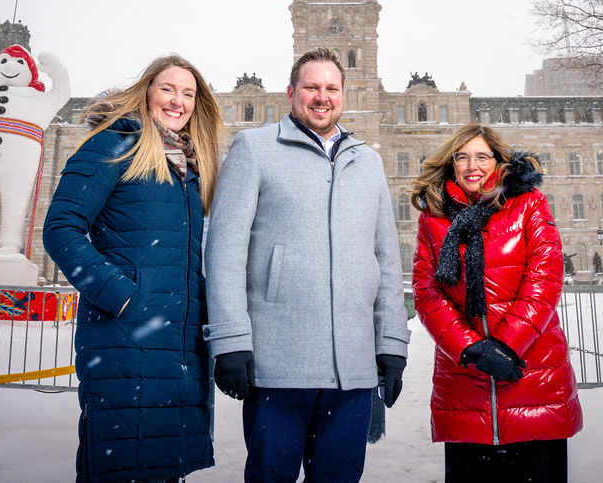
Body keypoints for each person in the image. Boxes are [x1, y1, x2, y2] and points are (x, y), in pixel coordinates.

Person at [203, 47, 411, 483]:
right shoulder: (254, 149)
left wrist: (391, 343)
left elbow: (387, 261)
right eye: (311, 87)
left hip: (352, 369)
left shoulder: (368, 161)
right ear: (291, 92)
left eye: (331, 88)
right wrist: (229, 340)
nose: (322, 97)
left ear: (343, 94)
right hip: (278, 363)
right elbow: (225, 251)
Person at [42, 54, 221, 482]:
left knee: (160, 463)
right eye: (167, 89)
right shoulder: (116, 142)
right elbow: (61, 229)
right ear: (147, 92)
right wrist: (121, 295)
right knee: (123, 463)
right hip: (126, 336)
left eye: (188, 93)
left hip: (178, 348)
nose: (177, 101)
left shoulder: (190, 167)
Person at [411, 124, 583, 483]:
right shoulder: (434, 217)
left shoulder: (528, 203)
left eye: (482, 157)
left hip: (531, 378)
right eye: (462, 157)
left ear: (498, 162)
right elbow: (427, 292)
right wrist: (472, 349)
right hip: (465, 384)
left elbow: (545, 277)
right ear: (451, 164)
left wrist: (505, 345)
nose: (472, 165)